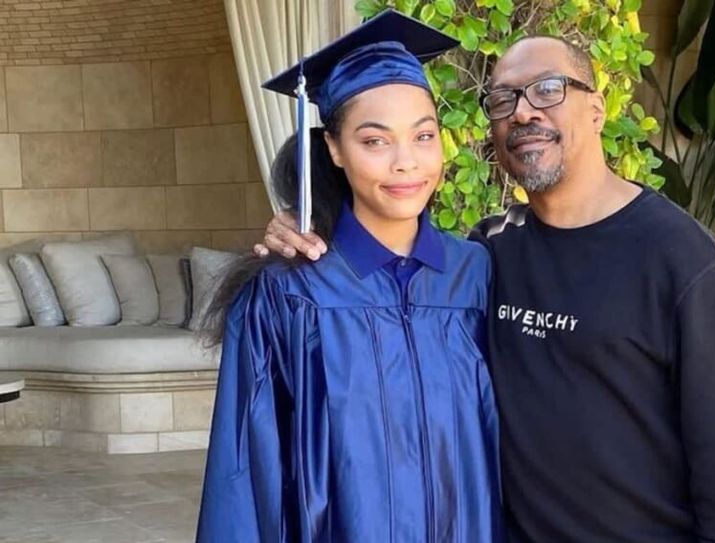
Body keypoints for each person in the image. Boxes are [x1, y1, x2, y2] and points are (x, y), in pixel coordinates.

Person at [258, 34, 715, 543]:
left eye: (549, 88)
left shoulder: (682, 262)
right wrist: (309, 229)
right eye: (503, 98)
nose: (524, 112)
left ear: (597, 109)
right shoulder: (486, 256)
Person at [197, 10, 502, 543]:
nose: (406, 163)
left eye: (424, 135)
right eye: (375, 141)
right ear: (334, 149)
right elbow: (246, 472)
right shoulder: (288, 293)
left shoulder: (477, 274)